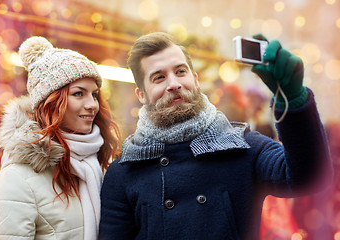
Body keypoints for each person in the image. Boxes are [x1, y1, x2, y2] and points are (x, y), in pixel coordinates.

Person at [99, 31, 332, 240]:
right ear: (141, 94)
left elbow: (308, 177)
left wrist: (293, 98)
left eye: (181, 72)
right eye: (159, 77)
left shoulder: (242, 146)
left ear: (195, 79)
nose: (174, 84)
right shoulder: (123, 171)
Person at [0, 36, 121, 240]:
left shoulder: (102, 165)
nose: (92, 105)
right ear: (50, 103)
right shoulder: (16, 179)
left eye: (94, 94)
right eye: (79, 94)